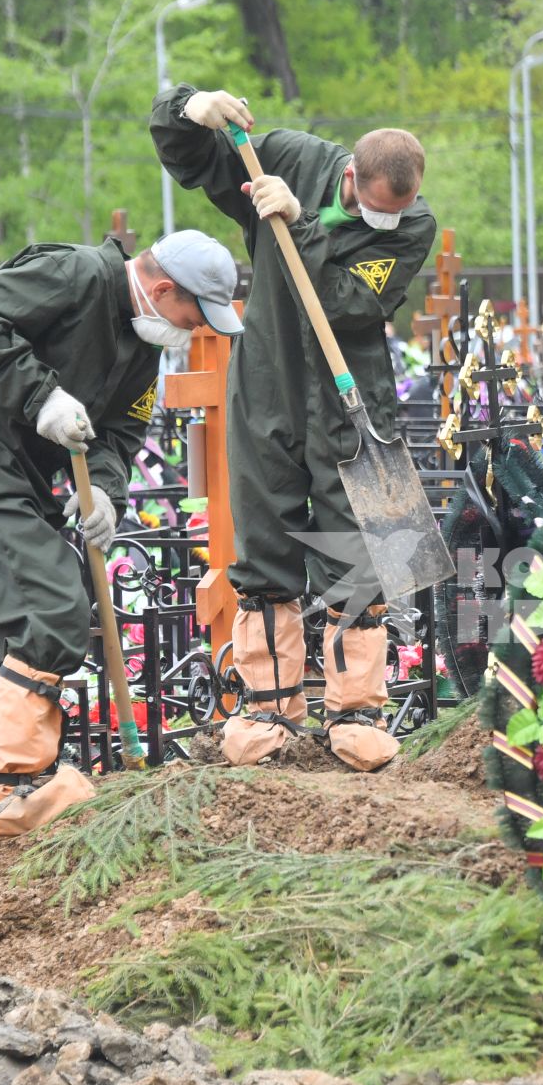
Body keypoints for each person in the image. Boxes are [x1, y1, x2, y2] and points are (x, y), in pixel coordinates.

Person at [0, 230, 242, 840]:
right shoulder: (78, 274)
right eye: (193, 317)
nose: (194, 333)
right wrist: (41, 394)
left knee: (4, 619)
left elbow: (118, 433)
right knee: (54, 603)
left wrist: (108, 490)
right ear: (163, 289)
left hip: (16, 472)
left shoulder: (144, 344)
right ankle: (2, 793)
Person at [151, 84, 434, 772]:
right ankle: (268, 707)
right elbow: (194, 162)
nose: (389, 222)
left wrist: (301, 224)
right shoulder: (283, 157)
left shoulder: (414, 224)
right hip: (269, 382)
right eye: (376, 210)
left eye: (396, 214)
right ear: (349, 178)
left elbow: (348, 302)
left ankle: (358, 711)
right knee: (265, 541)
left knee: (366, 551)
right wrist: (189, 108)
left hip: (352, 397)